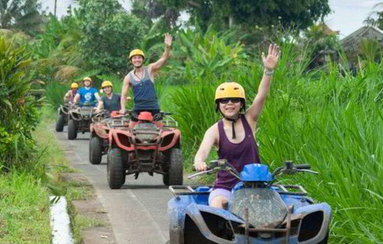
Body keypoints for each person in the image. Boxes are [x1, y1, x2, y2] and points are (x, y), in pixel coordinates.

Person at [193, 44, 280, 209]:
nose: (229, 103)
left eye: (235, 100)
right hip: (225, 188)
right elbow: (202, 152)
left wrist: (268, 70)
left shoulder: (250, 119)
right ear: (218, 105)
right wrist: (199, 162)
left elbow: (262, 96)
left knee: (280, 213)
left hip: (256, 186)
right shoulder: (214, 131)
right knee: (217, 206)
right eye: (224, 100)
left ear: (241, 104)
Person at [120, 33, 173, 116]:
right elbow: (124, 94)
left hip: (153, 107)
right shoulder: (128, 77)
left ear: (142, 59)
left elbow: (163, 59)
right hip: (138, 108)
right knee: (131, 127)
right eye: (134, 58)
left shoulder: (150, 69)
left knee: (159, 127)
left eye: (139, 58)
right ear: (131, 61)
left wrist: (167, 47)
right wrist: (123, 108)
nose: (137, 60)